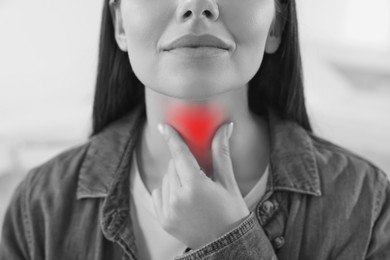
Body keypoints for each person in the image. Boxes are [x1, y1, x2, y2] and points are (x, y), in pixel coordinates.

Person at [1, 0, 389, 259]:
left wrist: (227, 240)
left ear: (276, 24)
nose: (196, 5)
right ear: (120, 21)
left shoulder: (365, 205)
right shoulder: (40, 210)